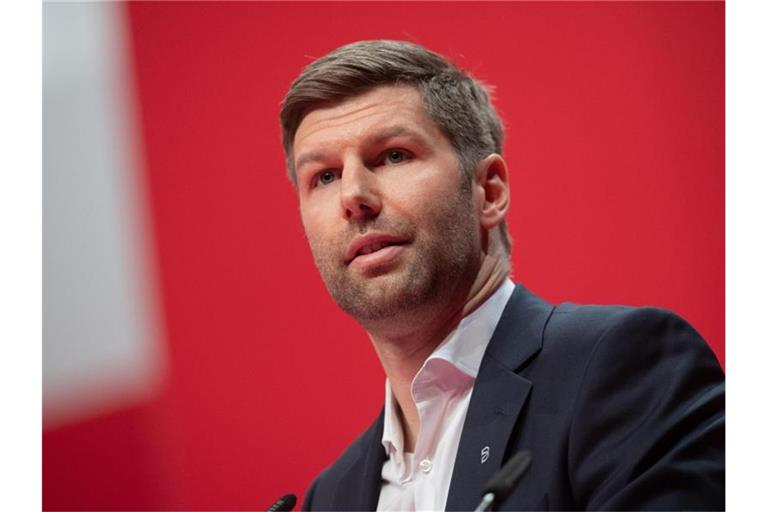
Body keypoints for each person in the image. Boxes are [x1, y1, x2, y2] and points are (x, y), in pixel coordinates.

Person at [279, 40, 724, 511]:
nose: (353, 195)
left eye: (393, 156)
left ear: (488, 190)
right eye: (324, 176)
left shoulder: (624, 372)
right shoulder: (331, 497)